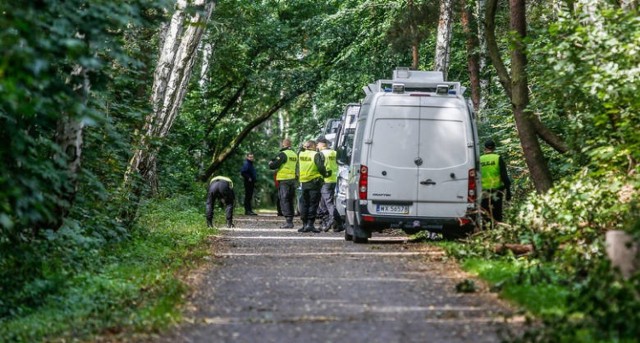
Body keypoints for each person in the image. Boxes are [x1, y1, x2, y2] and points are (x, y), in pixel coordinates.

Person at [297, 140, 330, 233]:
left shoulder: (301, 154)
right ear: (313, 146)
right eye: (315, 145)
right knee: (313, 203)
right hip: (314, 182)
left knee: (304, 203)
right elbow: (320, 167)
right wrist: (325, 174)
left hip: (303, 182)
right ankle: (310, 225)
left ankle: (304, 225)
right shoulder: (316, 155)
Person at [480, 140, 511, 227]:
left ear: (484, 148)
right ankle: (496, 231)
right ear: (494, 148)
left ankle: (486, 232)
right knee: (497, 213)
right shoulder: (498, 158)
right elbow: (504, 175)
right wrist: (508, 191)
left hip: (484, 191)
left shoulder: (480, 159)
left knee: (485, 213)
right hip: (497, 190)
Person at [269, 138, 298, 228]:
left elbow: (274, 165)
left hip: (284, 180)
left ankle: (288, 221)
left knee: (284, 199)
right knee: (290, 199)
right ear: (290, 145)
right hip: (293, 180)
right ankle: (290, 219)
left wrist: (270, 163)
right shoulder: (294, 154)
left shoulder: (283, 154)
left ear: (283, 145)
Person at [316, 136, 343, 232]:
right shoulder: (335, 152)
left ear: (322, 144)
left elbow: (319, 167)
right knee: (323, 203)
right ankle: (325, 223)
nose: (317, 146)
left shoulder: (321, 154)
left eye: (317, 144)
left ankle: (339, 222)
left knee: (328, 203)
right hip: (334, 180)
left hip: (325, 180)